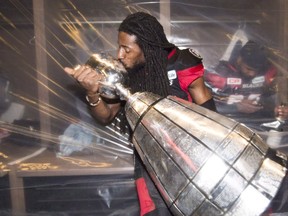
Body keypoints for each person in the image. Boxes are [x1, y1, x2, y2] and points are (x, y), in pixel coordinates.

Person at [64, 12, 216, 216]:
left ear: (147, 47)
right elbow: (105, 116)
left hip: (190, 162)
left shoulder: (182, 63)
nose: (119, 55)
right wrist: (92, 93)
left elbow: (211, 117)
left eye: (126, 48)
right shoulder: (125, 73)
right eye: (119, 47)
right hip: (149, 166)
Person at [205, 40, 280, 122]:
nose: (252, 74)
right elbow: (204, 105)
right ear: (239, 60)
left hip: (260, 122)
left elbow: (273, 99)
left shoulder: (267, 74)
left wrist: (276, 109)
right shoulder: (219, 75)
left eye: (256, 70)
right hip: (225, 123)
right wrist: (235, 107)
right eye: (248, 68)